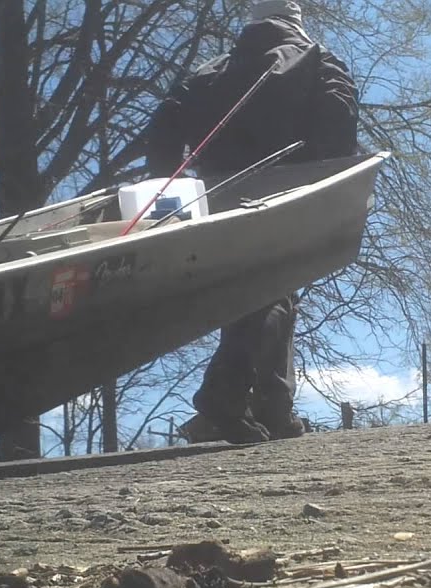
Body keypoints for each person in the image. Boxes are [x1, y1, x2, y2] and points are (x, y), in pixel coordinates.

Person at [145, 0, 360, 444]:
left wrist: (166, 181)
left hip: (215, 195)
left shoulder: (208, 71)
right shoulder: (316, 57)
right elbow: (340, 115)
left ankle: (274, 408)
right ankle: (220, 400)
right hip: (286, 188)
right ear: (295, 26)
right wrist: (327, 175)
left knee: (268, 291)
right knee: (270, 288)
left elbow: (166, 117)